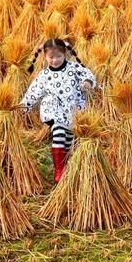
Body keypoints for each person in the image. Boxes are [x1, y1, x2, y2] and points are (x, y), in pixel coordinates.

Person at [20, 38, 97, 183]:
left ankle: (65, 165)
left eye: (58, 57)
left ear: (65, 54)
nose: (55, 60)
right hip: (53, 110)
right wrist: (24, 105)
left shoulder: (73, 68)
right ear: (45, 56)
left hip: (73, 110)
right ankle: (59, 170)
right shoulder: (44, 75)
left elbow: (88, 74)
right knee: (59, 133)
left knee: (68, 141)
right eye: (51, 57)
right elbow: (33, 92)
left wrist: (88, 82)